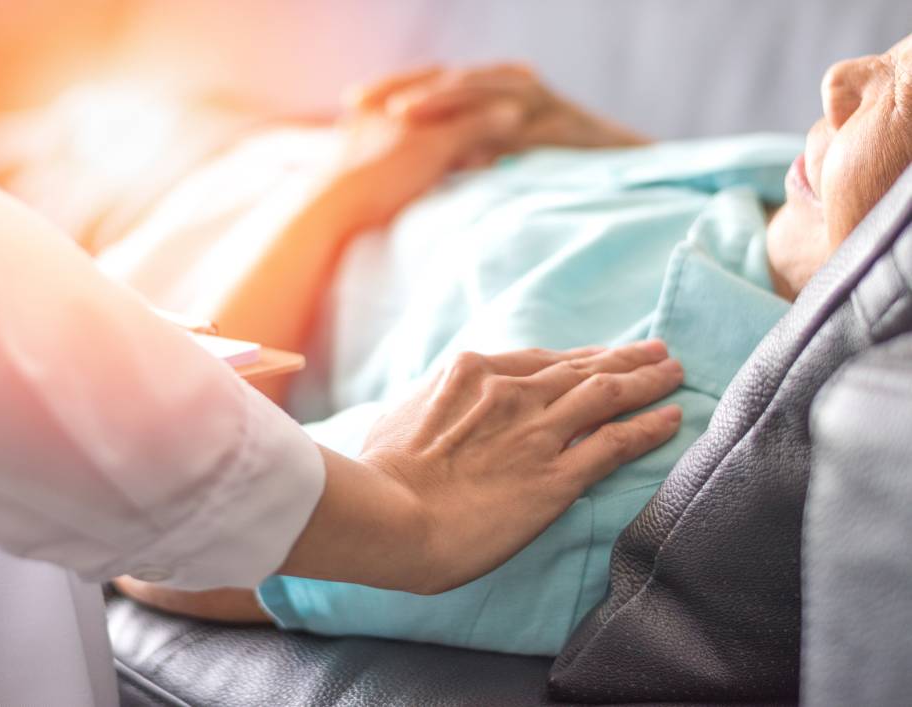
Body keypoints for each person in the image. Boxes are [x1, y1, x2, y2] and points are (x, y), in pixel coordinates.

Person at [0, 29, 685, 707]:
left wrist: (343, 189)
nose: (824, 99)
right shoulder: (773, 183)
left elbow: (135, 481)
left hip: (140, 203)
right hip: (193, 156)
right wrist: (625, 162)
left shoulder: (671, 420)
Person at [115, 34, 912, 655]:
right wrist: (585, 153)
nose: (839, 79)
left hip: (131, 244)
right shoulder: (806, 201)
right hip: (221, 139)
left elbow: (153, 518)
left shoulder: (603, 458)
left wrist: (342, 190)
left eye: (903, 97)